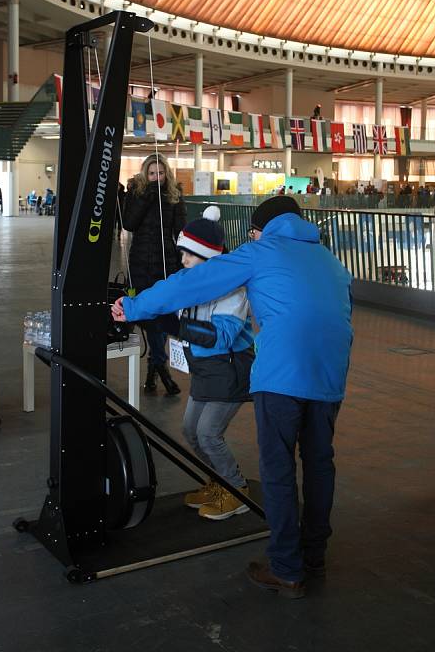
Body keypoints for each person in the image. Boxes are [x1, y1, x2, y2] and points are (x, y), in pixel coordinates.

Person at [113, 196, 353, 598]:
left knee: (277, 470)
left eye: (254, 230)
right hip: (329, 375)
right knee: (318, 464)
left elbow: (194, 282)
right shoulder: (331, 262)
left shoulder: (261, 251)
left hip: (282, 376)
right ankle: (314, 557)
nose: (252, 236)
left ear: (264, 228)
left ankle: (286, 569)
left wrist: (136, 306)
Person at [129, 205, 254, 520]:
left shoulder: (233, 291)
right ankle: (219, 481)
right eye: (182, 253)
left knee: (209, 433)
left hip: (230, 370)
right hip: (203, 370)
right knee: (190, 430)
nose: (183, 260)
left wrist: (174, 326)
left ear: (208, 256)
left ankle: (237, 491)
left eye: (189, 254)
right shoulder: (188, 284)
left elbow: (222, 336)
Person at [122, 152, 186, 395]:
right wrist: (147, 196)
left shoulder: (174, 195)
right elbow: (129, 223)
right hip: (139, 261)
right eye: (151, 173)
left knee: (164, 314)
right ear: (144, 174)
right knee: (148, 316)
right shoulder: (137, 193)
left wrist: (183, 260)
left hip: (166, 262)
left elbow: (180, 231)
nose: (156, 178)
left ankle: (156, 368)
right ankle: (158, 368)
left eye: (160, 173)